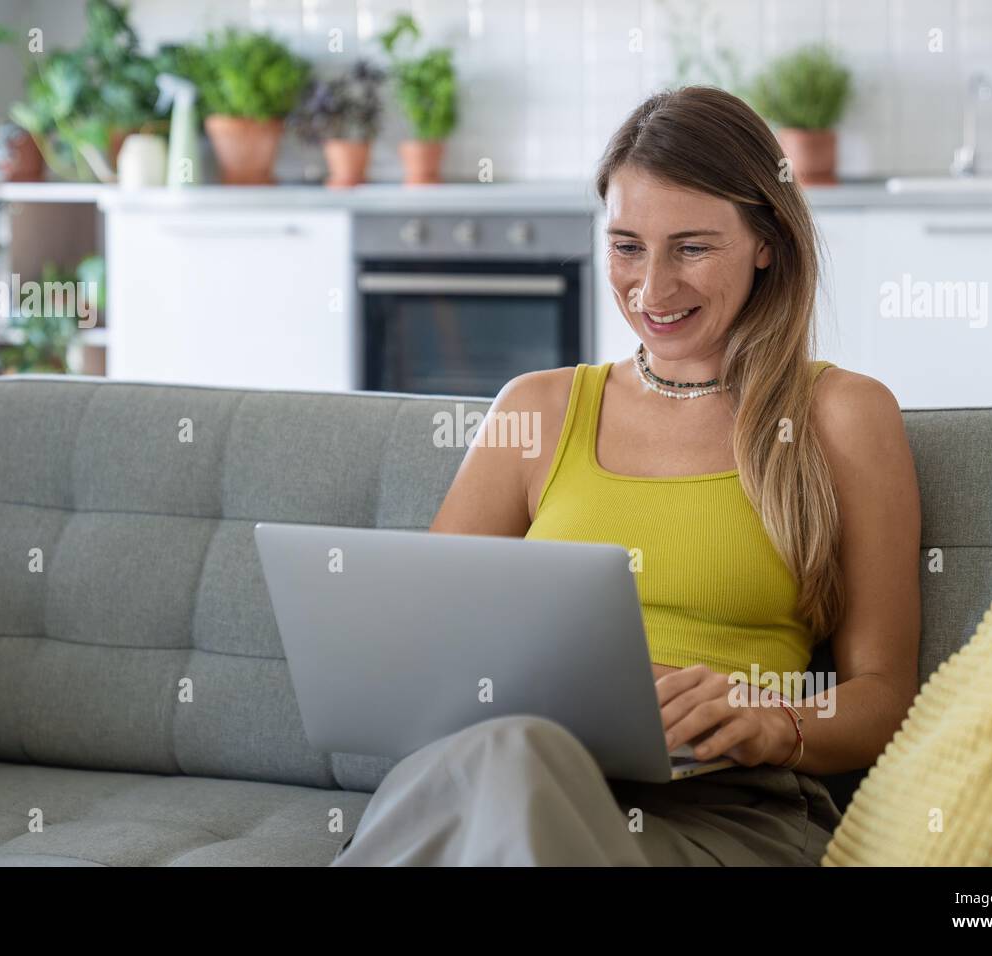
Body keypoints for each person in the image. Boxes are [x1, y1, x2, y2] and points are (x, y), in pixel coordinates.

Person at [332, 85, 922, 866]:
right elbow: (428, 651)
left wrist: (778, 719)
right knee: (507, 759)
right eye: (627, 246)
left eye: (693, 247)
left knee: (509, 766)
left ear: (767, 241)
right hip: (504, 782)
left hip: (721, 807)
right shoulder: (536, 411)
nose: (653, 288)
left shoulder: (841, 416)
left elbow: (884, 695)